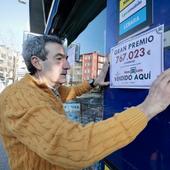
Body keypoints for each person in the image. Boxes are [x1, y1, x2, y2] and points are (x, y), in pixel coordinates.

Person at [0, 35, 170, 170]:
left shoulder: (48, 89)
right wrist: (147, 108)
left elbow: (71, 92)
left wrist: (94, 82)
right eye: (59, 58)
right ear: (36, 62)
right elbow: (74, 146)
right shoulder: (19, 97)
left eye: (66, 58)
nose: (67, 65)